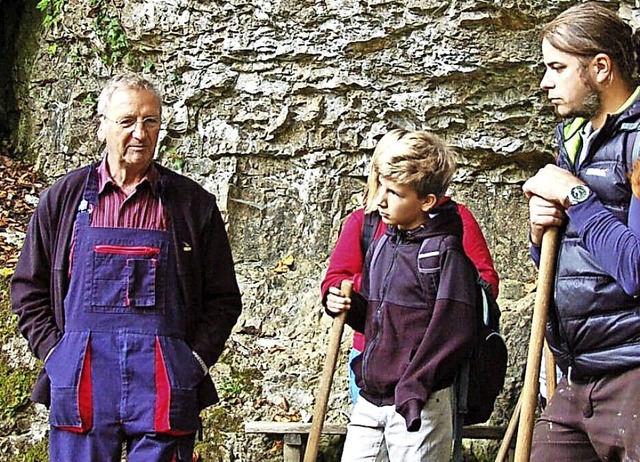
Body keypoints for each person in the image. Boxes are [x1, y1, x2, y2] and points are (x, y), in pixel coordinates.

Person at [10, 74, 243, 462]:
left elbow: (222, 299)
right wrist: (57, 356)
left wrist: (193, 363)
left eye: (150, 121)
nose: (140, 132)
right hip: (82, 377)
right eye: (127, 121)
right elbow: (27, 289)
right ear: (102, 125)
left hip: (162, 383)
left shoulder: (192, 205)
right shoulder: (62, 199)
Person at [523, 3, 640, 460]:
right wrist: (540, 236)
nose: (544, 82)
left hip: (632, 373)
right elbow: (571, 265)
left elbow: (635, 269)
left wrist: (576, 198)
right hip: (577, 376)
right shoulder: (574, 140)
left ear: (601, 68)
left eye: (557, 67)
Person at [324, 128, 479, 461]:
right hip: (371, 397)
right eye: (380, 186)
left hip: (417, 404)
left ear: (426, 201)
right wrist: (349, 307)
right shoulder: (383, 243)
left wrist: (414, 388)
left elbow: (455, 334)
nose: (380, 199)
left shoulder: (446, 253)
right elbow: (378, 320)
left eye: (394, 192)